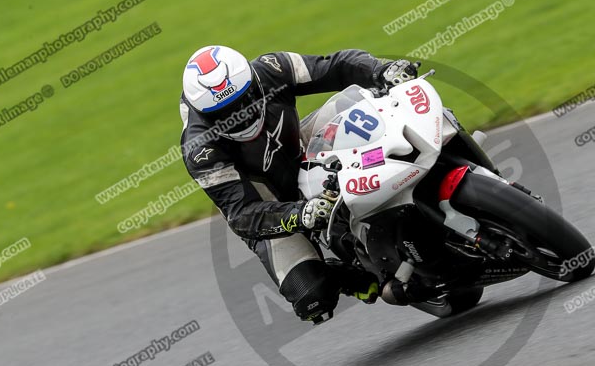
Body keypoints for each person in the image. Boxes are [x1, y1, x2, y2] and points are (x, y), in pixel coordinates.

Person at [179, 46, 419, 323]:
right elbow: (242, 215)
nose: (241, 114)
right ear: (206, 116)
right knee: (312, 296)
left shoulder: (272, 68)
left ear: (254, 82)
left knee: (370, 101)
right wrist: (300, 214)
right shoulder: (200, 151)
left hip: (302, 145)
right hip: (268, 205)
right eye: (226, 113)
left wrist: (381, 69)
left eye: (245, 101)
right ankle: (347, 274)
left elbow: (336, 65)